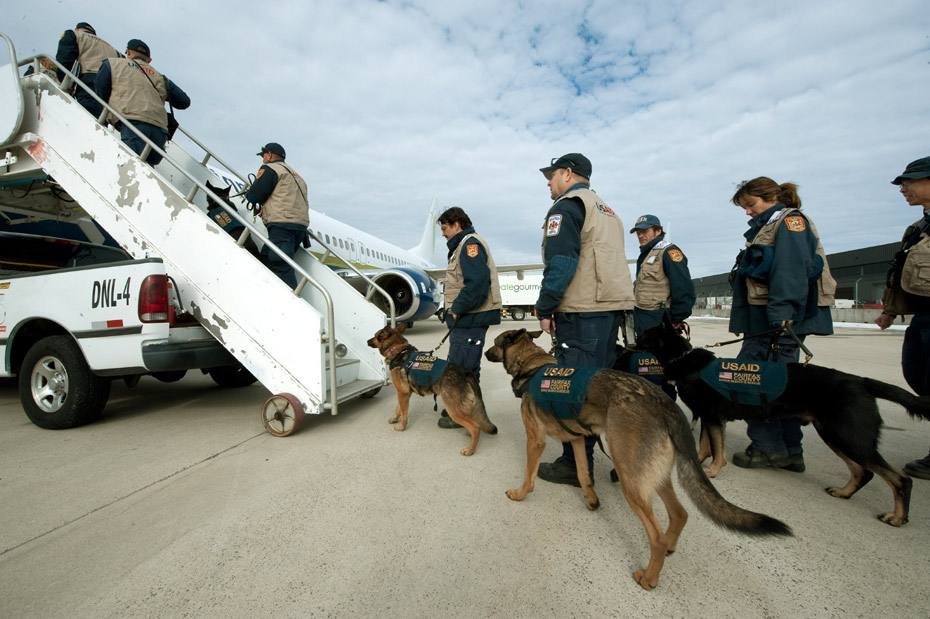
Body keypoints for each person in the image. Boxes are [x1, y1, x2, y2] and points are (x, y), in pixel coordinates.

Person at [534, 153, 634, 486]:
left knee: (573, 390)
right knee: (598, 390)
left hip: (581, 313)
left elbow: (561, 263)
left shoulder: (567, 206)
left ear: (567, 173)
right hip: (606, 311)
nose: (548, 182)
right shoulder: (607, 211)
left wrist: (545, 306)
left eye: (551, 175)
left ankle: (576, 467)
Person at [728, 177, 835, 472]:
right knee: (783, 388)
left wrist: (782, 315)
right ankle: (789, 450)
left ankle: (768, 449)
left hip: (775, 321)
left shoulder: (790, 222)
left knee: (753, 383)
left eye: (750, 204)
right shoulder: (770, 225)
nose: (748, 211)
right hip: (769, 318)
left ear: (771, 197)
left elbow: (790, 270)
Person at [875, 156, 930, 480]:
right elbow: (901, 273)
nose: (903, 189)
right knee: (919, 379)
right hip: (922, 316)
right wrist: (890, 309)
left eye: (909, 182)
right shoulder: (918, 228)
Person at [436, 207, 502, 429]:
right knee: (466, 368)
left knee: (462, 370)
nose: (443, 234)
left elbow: (478, 283)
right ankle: (463, 408)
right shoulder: (462, 246)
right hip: (466, 320)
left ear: (457, 225)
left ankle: (464, 415)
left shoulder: (470, 245)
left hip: (469, 319)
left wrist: (457, 307)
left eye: (444, 228)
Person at [95, 39, 190, 165]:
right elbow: (184, 101)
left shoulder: (112, 64)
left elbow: (100, 90)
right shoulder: (161, 77)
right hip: (160, 132)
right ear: (149, 60)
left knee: (131, 167)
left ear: (128, 52)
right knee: (147, 171)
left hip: (133, 124)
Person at [243, 143, 310, 288]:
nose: (262, 159)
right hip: (300, 228)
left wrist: (248, 195)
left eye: (263, 156)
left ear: (270, 154)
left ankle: (293, 304)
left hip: (282, 225)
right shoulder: (297, 176)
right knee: (267, 257)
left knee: (280, 264)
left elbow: (256, 195)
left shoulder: (271, 169)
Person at [630, 214, 695, 339]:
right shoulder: (646, 254)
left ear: (658, 231)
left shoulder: (668, 252)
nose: (640, 235)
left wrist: (677, 317)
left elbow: (683, 286)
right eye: (638, 232)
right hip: (643, 318)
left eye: (644, 231)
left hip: (659, 319)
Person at [54, 22, 120, 118]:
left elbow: (65, 59)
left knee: (88, 119)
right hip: (110, 91)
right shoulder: (113, 49)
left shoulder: (74, 34)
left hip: (88, 85)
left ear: (77, 29)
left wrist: (66, 83)